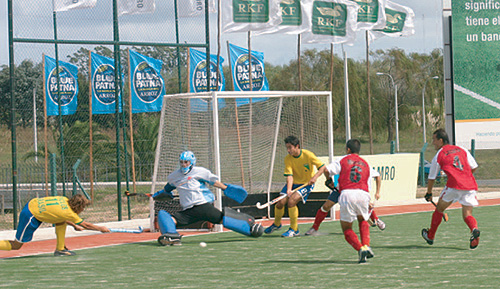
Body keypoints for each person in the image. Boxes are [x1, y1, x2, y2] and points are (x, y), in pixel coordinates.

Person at [152, 151, 263, 246]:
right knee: (163, 215)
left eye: (186, 162)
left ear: (192, 162)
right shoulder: (174, 176)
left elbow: (213, 182)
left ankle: (250, 228)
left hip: (202, 206)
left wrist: (225, 188)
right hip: (188, 211)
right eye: (181, 162)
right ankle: (171, 236)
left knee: (223, 220)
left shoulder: (200, 171)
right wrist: (162, 193)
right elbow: (168, 187)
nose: (183, 165)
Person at [316, 139, 378, 263]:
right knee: (363, 220)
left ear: (348, 149)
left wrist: (328, 180)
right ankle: (366, 245)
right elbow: (376, 176)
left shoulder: (343, 160)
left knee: (347, 229)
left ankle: (360, 248)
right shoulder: (365, 163)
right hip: (363, 194)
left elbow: (327, 170)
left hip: (347, 194)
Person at [421, 128, 480, 249]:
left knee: (439, 209)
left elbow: (431, 177)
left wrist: (429, 193)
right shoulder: (461, 149)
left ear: (441, 140)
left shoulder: (439, 155)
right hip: (469, 186)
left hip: (453, 186)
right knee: (467, 214)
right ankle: (474, 230)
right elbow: (474, 166)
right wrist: (465, 176)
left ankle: (430, 236)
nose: (433, 143)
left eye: (434, 140)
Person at [0, 194, 110, 256]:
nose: (83, 210)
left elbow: (60, 215)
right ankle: (60, 249)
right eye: (83, 208)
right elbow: (86, 225)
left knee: (61, 221)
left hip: (32, 205)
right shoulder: (69, 213)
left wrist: (74, 225)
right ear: (78, 206)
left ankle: (60, 249)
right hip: (30, 215)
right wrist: (101, 228)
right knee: (16, 245)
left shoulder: (64, 200)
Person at [263, 136, 325, 237]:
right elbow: (290, 176)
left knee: (292, 201)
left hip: (306, 184)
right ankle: (277, 224)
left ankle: (294, 229)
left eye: (290, 147)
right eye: (287, 148)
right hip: (293, 184)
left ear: (297, 146)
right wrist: (288, 189)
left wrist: (314, 178)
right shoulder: (288, 159)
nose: (288, 150)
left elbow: (322, 167)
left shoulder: (308, 155)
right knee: (280, 203)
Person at [305, 169, 383, 236]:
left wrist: (378, 192)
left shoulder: (364, 166)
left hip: (353, 192)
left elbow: (377, 176)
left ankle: (376, 219)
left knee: (364, 206)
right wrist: (329, 180)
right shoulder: (342, 163)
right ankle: (314, 228)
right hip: (339, 190)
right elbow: (326, 170)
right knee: (326, 207)